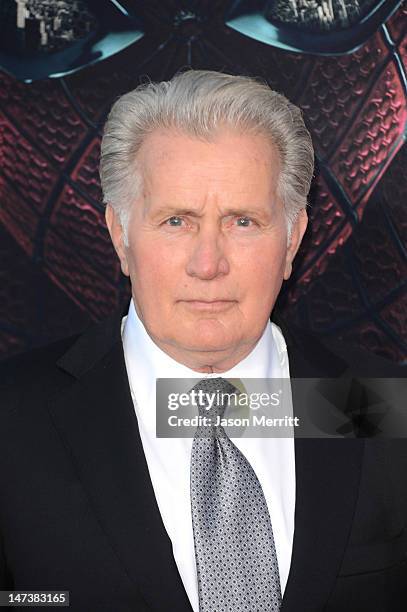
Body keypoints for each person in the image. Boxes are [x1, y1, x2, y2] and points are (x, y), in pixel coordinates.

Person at [0, 70, 406, 612]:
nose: (208, 264)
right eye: (176, 221)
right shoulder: (11, 419)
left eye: (243, 221)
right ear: (120, 235)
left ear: (293, 240)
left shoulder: (382, 406)